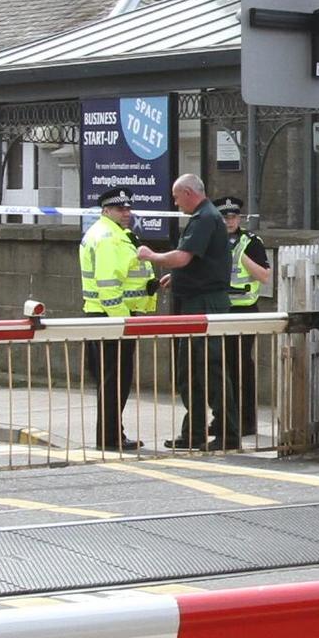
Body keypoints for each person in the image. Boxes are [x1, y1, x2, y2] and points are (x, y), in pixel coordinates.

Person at [141, 172, 233, 450]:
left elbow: (182, 257)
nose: (175, 202)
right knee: (189, 371)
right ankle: (193, 432)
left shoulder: (205, 218)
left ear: (189, 193)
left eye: (176, 196)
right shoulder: (202, 217)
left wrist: (152, 256)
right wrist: (178, 277)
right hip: (194, 300)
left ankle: (228, 433)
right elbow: (197, 261)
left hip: (205, 303)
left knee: (211, 369)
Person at [77, 187, 157, 451]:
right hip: (112, 318)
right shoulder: (108, 238)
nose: (126, 212)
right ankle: (110, 438)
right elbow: (108, 286)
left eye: (128, 208)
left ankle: (112, 434)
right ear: (106, 210)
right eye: (120, 209)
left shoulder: (116, 233)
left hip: (107, 316)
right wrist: (124, 322)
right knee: (115, 381)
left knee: (112, 380)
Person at [216, 195, 272, 451]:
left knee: (241, 367)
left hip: (244, 310)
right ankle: (223, 420)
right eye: (225, 217)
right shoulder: (212, 239)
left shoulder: (251, 242)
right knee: (220, 368)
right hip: (219, 310)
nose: (230, 221)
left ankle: (246, 421)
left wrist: (240, 257)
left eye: (234, 216)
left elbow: (265, 276)